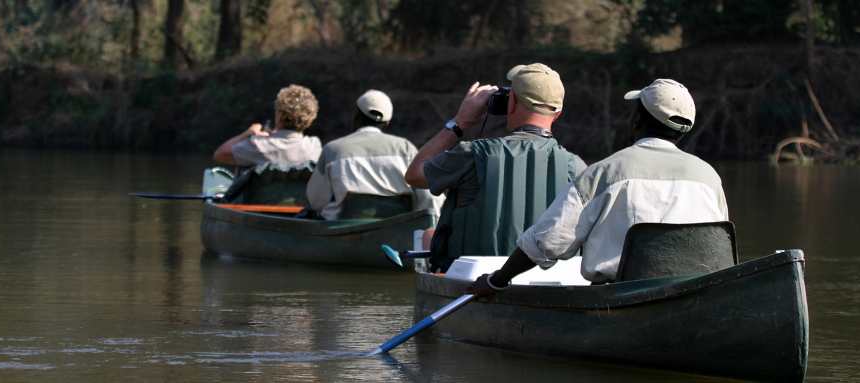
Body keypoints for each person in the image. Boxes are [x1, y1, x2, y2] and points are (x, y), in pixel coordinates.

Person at [467, 78, 730, 295]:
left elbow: (548, 241)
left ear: (636, 120)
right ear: (682, 131)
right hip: (695, 293)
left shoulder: (605, 172)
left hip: (622, 295)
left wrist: (498, 280)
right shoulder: (709, 176)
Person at [405, 63, 586, 272]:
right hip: (548, 286)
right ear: (558, 113)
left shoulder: (472, 155)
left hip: (475, 283)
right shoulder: (578, 168)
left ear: (511, 103)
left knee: (429, 234)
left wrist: (460, 122)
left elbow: (415, 174)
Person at [305, 90, 443, 220]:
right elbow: (430, 199)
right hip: (398, 234)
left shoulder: (332, 150)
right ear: (387, 122)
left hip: (344, 236)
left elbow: (315, 201)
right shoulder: (406, 149)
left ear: (356, 115)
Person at [213, 84, 322, 168]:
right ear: (310, 118)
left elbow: (220, 154)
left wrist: (248, 133)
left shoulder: (258, 146)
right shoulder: (314, 147)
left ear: (279, 115)